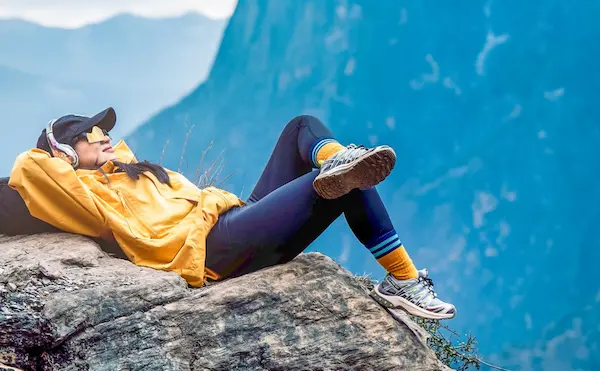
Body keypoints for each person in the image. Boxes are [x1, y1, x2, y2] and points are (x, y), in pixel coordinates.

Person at [7, 108, 456, 320]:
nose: (105, 135)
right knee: (343, 183)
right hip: (213, 251)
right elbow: (28, 176)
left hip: (235, 219)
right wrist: (56, 152)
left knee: (302, 127)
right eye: (91, 133)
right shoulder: (74, 194)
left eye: (105, 129)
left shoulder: (127, 170)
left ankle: (336, 160)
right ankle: (404, 280)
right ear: (64, 149)